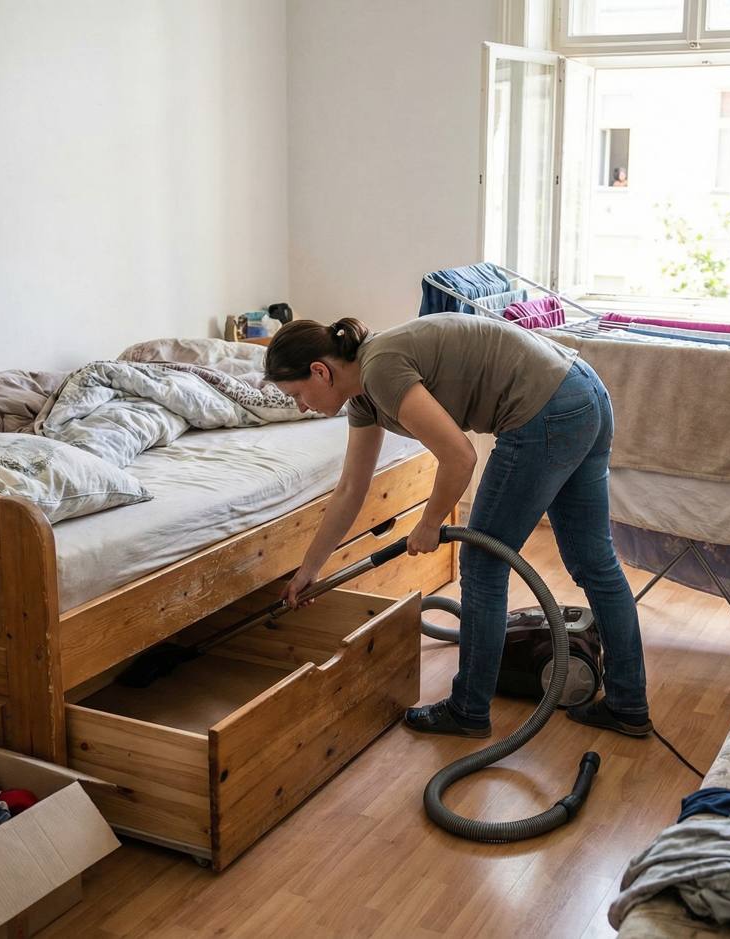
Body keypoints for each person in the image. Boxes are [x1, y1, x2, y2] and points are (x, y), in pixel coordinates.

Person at [264, 313, 650, 738]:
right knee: (595, 563)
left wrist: (429, 523)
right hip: (584, 390)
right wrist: (310, 570)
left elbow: (460, 456)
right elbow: (351, 489)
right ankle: (627, 704)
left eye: (297, 394)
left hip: (547, 407)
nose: (301, 406)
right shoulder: (363, 397)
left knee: (483, 565)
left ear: (320, 371)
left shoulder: (380, 370)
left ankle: (468, 710)